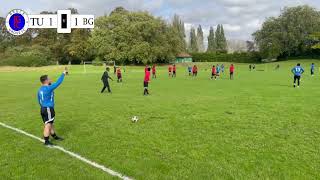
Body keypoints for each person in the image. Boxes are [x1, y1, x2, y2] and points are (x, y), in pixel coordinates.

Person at [37, 71, 67, 146]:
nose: (50, 79)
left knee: (50, 124)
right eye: (49, 78)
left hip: (43, 108)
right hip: (48, 109)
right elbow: (58, 82)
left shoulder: (40, 89)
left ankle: (55, 136)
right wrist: (63, 73)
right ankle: (46, 142)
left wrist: (43, 106)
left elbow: (39, 100)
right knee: (48, 125)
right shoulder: (49, 88)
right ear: (46, 81)